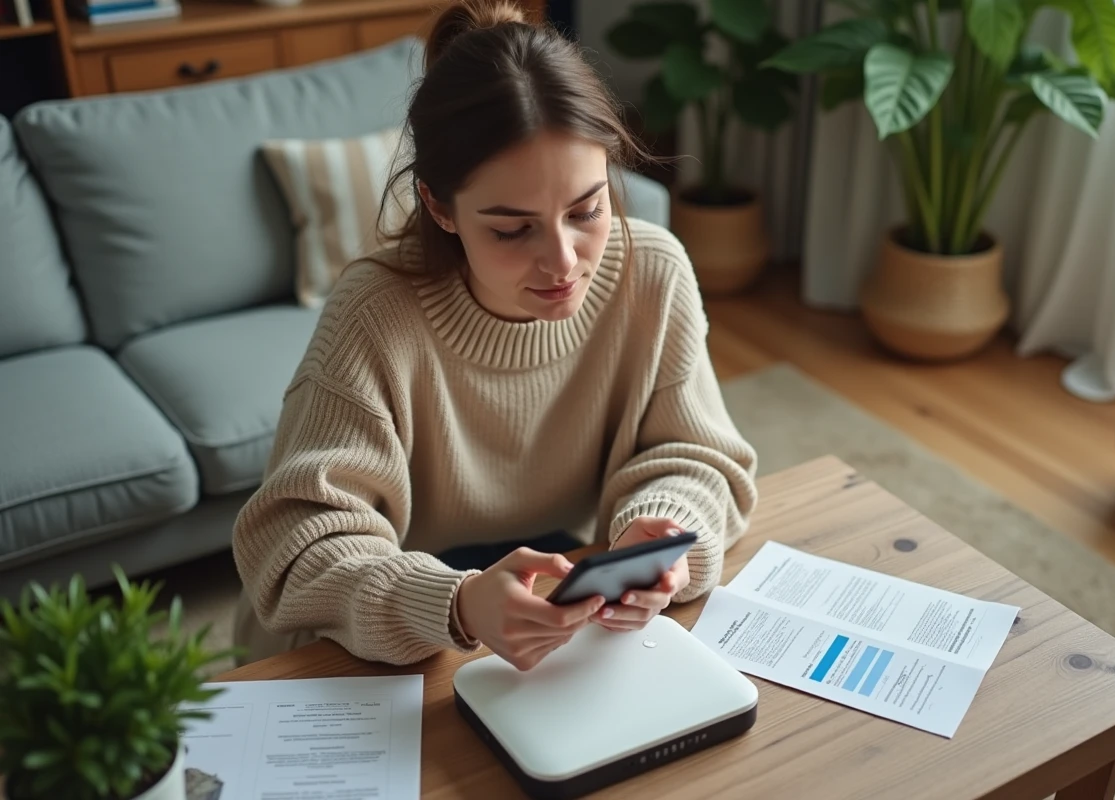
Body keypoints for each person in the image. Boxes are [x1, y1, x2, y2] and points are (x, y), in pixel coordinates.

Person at [232, 0, 758, 671]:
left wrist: (653, 530)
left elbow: (698, 454)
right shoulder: (376, 313)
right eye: (513, 229)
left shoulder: (652, 272)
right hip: (375, 646)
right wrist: (456, 604)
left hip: (550, 612)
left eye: (587, 209)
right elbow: (296, 547)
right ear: (439, 207)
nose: (565, 261)